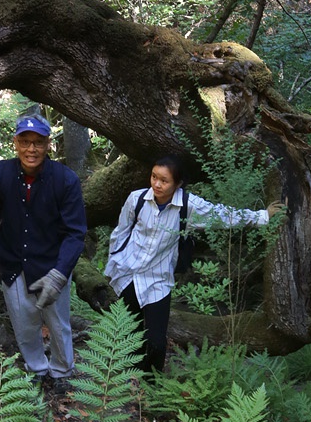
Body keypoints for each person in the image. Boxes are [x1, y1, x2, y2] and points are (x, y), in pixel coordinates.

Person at [104, 153, 285, 374]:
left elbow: (221, 215)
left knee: (156, 341)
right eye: (153, 177)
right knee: (128, 332)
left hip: (157, 281)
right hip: (128, 274)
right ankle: (127, 382)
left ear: (178, 183)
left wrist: (261, 217)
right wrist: (115, 262)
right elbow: (121, 232)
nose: (156, 184)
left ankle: (150, 386)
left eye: (164, 180)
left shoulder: (189, 206)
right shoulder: (137, 199)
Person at [0, 113, 87, 384]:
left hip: (52, 264)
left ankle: (62, 372)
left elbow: (75, 232)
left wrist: (60, 273)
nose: (31, 149)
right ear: (15, 142)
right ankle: (37, 370)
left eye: (38, 142)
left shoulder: (65, 179)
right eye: (25, 141)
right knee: (24, 325)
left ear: (48, 144)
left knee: (58, 325)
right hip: (13, 264)